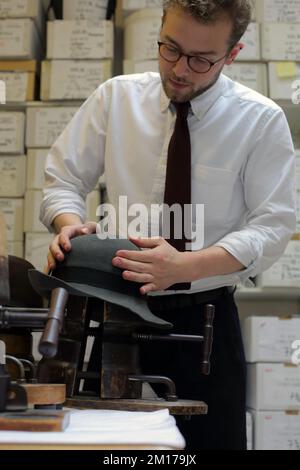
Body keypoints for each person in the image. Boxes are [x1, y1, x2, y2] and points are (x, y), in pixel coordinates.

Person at [40, 0, 296, 450]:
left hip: (206, 321)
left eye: (200, 60)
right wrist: (68, 224)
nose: (180, 69)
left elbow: (271, 226)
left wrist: (186, 266)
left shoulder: (260, 120)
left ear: (231, 55)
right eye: (170, 49)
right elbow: (62, 179)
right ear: (159, 29)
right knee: (106, 451)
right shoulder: (116, 98)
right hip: (112, 311)